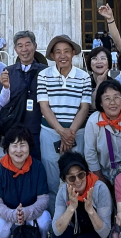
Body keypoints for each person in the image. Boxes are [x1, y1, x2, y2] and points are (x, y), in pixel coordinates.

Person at [0, 125, 52, 238]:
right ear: (7, 148)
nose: (19, 150)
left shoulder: (38, 167)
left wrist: (26, 212)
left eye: (23, 145)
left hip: (30, 213)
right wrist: (13, 215)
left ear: (29, 147)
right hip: (8, 213)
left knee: (45, 220)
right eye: (14, 145)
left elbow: (43, 199)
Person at [52, 151, 120, 238]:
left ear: (87, 173)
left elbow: (105, 232)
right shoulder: (63, 192)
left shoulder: (100, 188)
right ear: (65, 180)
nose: (77, 181)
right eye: (71, 177)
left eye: (81, 174)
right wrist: (71, 207)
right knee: (60, 232)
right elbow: (57, 231)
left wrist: (90, 210)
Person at [37, 34, 93, 193]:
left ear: (73, 53)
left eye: (67, 51)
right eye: (58, 52)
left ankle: (76, 216)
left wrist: (70, 134)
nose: (63, 56)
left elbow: (84, 107)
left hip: (77, 133)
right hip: (50, 132)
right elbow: (44, 106)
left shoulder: (84, 76)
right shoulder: (43, 75)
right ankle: (57, 217)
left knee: (77, 178)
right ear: (53, 55)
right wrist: (62, 132)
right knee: (53, 179)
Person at [0, 30, 47, 159]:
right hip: (15, 131)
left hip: (37, 130)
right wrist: (6, 87)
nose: (24, 49)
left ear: (35, 46)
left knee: (36, 166)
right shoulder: (8, 71)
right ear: (15, 49)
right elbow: (2, 103)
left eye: (27, 44)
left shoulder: (45, 71)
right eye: (20, 45)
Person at [84, 79, 121, 182]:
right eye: (107, 98)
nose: (112, 103)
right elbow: (90, 153)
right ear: (100, 103)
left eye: (116, 97)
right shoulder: (93, 121)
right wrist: (100, 178)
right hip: (104, 173)